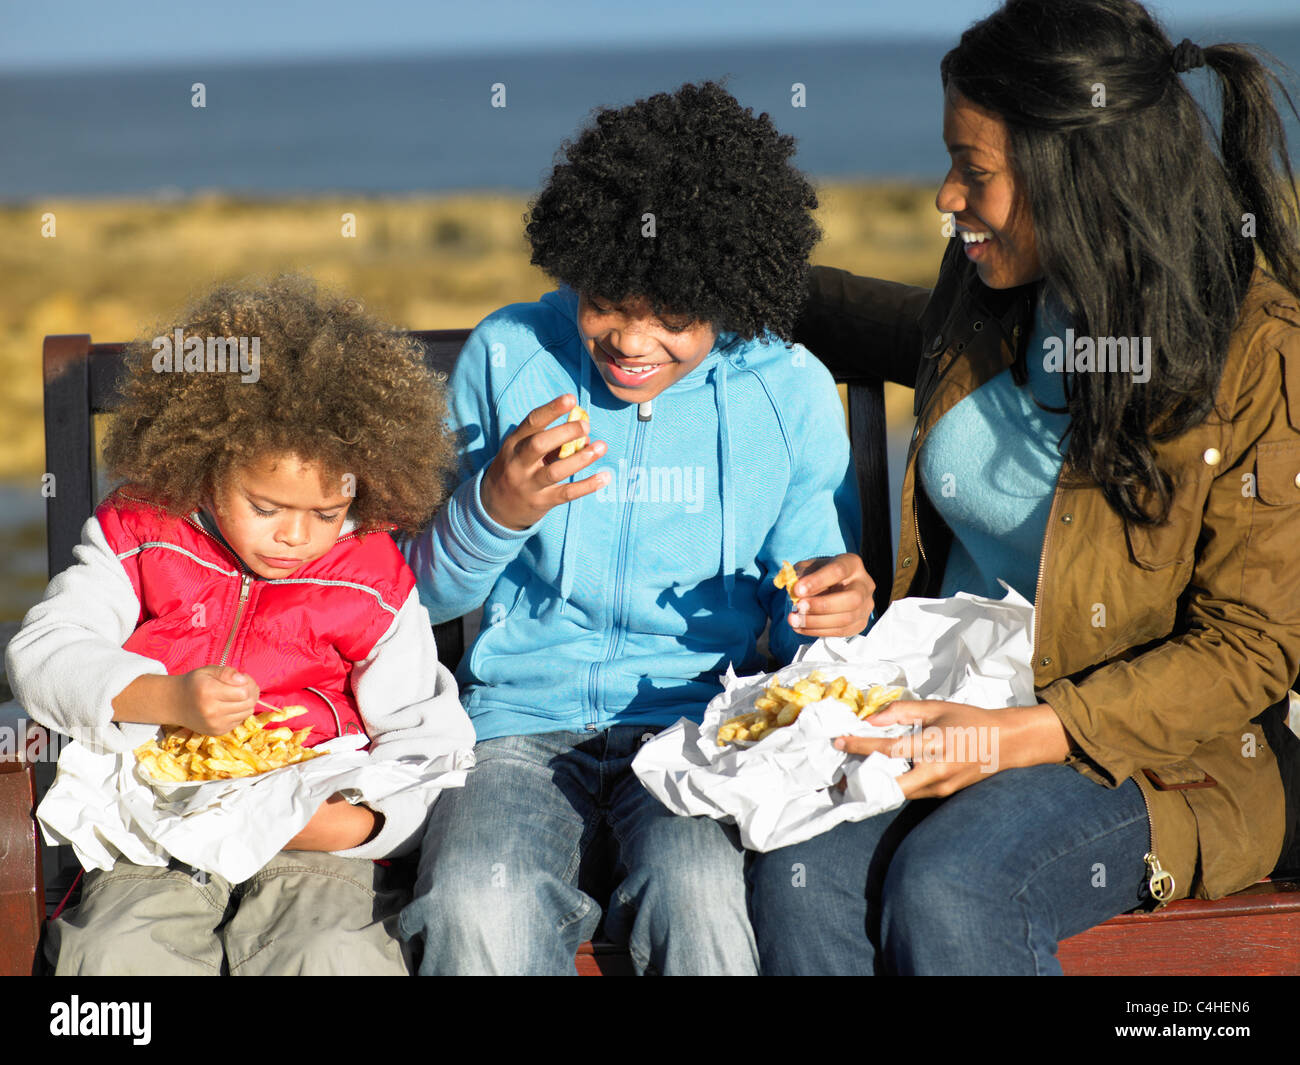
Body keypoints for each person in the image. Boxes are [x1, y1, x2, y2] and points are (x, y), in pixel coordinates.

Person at [747, 0, 1300, 975]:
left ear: (1077, 175)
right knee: (798, 858)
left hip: (1156, 752)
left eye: (975, 169)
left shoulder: (1257, 355)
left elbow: (1249, 650)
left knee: (957, 881)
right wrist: (715, 276)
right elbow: (913, 341)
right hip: (948, 689)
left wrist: (1019, 736)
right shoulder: (989, 291)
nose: (944, 197)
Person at [398, 81, 876, 975]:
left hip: (697, 733)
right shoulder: (509, 356)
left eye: (676, 317)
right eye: (608, 300)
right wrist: (494, 508)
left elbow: (805, 608)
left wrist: (823, 607)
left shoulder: (786, 390)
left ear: (731, 290)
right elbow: (415, 594)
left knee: (700, 899)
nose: (631, 341)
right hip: (514, 728)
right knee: (474, 901)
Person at [6, 275, 475, 975]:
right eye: (266, 506)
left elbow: (425, 735)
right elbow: (43, 654)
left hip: (313, 840)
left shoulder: (371, 576)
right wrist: (166, 699)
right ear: (209, 458)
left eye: (323, 514)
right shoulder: (140, 533)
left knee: (332, 955)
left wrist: (364, 823)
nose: (294, 537)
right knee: (113, 958)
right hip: (157, 828)